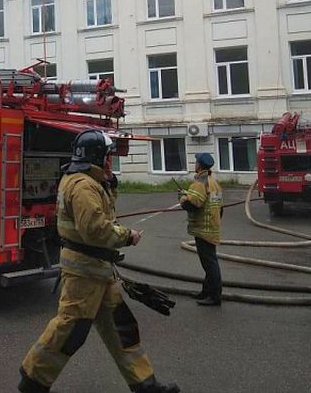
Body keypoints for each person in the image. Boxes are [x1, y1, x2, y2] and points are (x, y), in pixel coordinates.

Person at [19, 130, 179, 393]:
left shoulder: (87, 181)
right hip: (84, 274)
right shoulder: (82, 186)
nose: (110, 161)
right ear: (97, 156)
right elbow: (95, 229)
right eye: (108, 155)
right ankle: (32, 381)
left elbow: (101, 212)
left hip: (98, 271)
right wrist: (128, 236)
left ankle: (146, 385)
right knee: (71, 329)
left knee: (122, 328)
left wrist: (110, 184)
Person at [179, 152, 224, 306]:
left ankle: (215, 296)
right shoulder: (213, 182)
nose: (195, 164)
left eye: (196, 162)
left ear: (199, 165)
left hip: (203, 230)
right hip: (212, 228)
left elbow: (192, 204)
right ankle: (206, 292)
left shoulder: (200, 182)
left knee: (210, 264)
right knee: (209, 262)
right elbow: (219, 208)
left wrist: (183, 198)